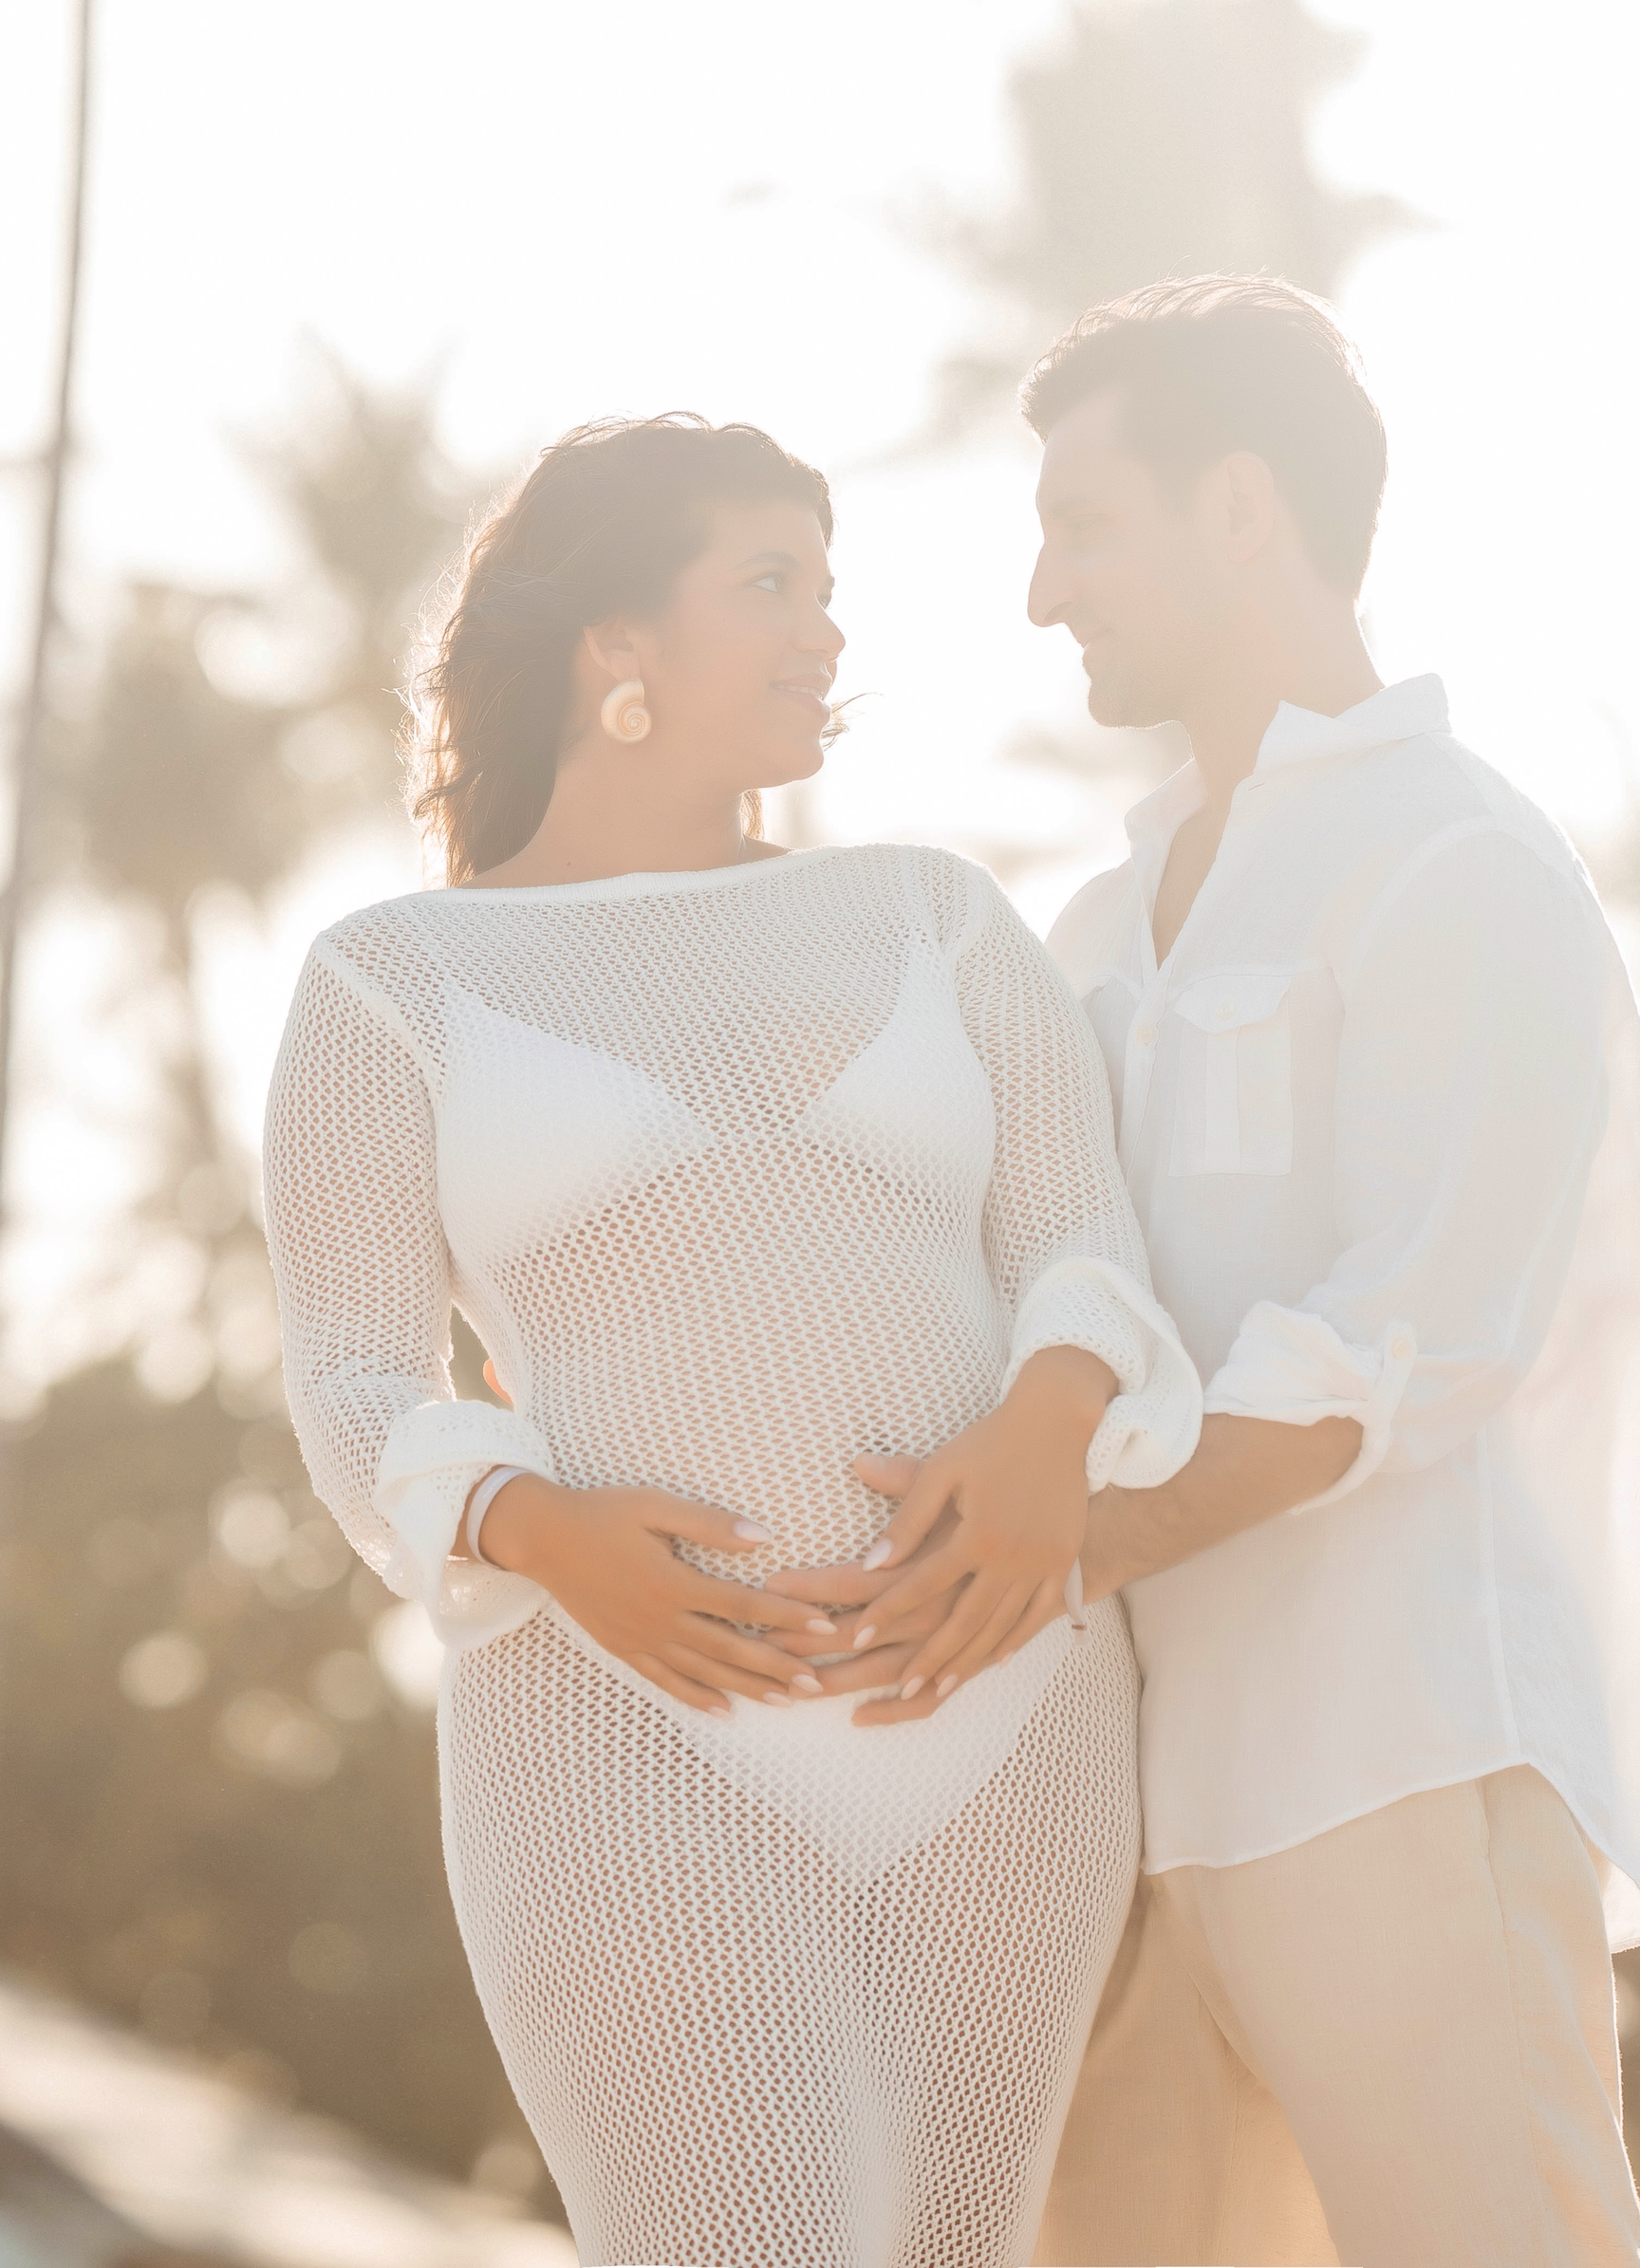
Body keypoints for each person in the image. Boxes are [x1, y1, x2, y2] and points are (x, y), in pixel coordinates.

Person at [799, 276, 1640, 2266]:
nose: (1043, 593)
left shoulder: (1460, 865)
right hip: (1132, 1823)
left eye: (1080, 527)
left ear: (1237, 509)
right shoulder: (1098, 927)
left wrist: (1063, 1543)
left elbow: (1416, 1332)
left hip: (1398, 1764)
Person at [261, 413, 1200, 2268]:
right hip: (621, 1729)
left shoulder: (928, 913)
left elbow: (1079, 1235)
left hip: (1003, 1717)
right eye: (768, 586)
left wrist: (1044, 1431)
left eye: (826, 593)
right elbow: (354, 1372)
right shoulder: (392, 983)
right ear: (617, 647)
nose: (823, 634)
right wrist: (537, 1534)